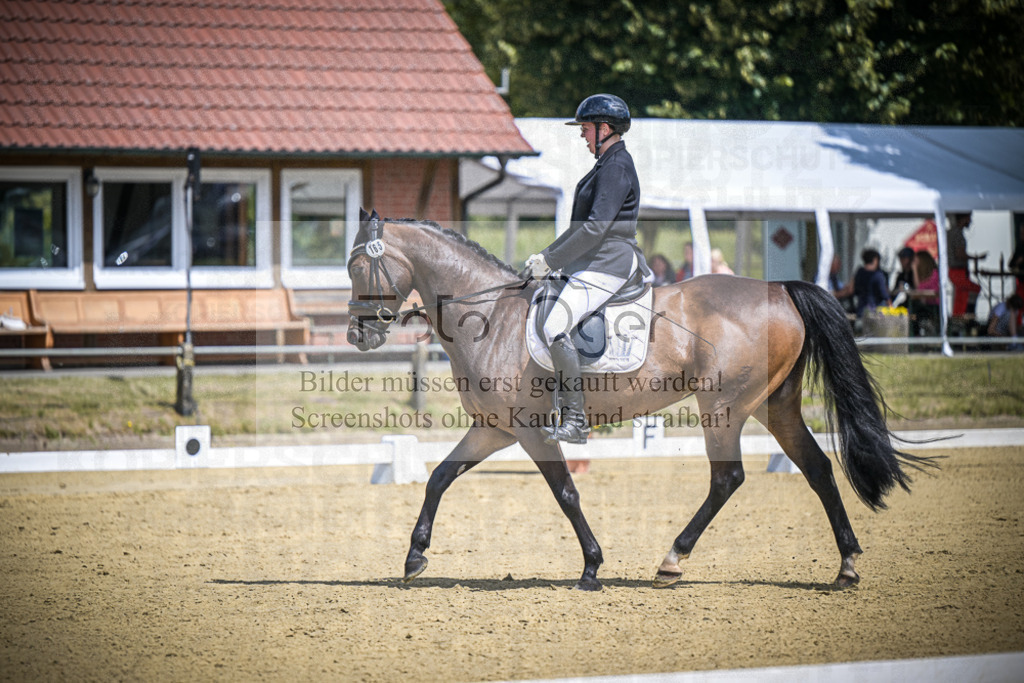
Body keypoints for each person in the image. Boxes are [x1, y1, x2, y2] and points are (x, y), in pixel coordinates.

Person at [524, 93, 649, 445]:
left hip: (608, 262)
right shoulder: (607, 163)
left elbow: (595, 228)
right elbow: (581, 228)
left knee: (554, 326)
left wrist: (551, 261)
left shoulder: (617, 166)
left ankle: (576, 421)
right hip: (594, 259)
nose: (582, 135)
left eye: (586, 128)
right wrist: (546, 256)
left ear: (604, 128)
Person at [836, 248, 889, 318]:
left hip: (861, 311)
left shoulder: (859, 272)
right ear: (875, 260)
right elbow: (884, 294)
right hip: (876, 313)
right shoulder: (878, 275)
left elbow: (851, 290)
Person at [947, 212, 982, 316]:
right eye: (969, 218)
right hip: (957, 270)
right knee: (972, 289)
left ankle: (960, 316)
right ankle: (968, 315)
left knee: (961, 296)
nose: (970, 221)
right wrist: (976, 258)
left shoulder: (950, 233)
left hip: (955, 271)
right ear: (964, 218)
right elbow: (960, 254)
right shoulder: (957, 234)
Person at [908, 250, 940, 335]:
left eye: (916, 261)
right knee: (911, 308)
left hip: (934, 306)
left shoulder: (934, 273)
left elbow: (919, 288)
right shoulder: (923, 274)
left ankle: (916, 335)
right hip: (926, 304)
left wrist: (914, 270)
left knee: (915, 310)